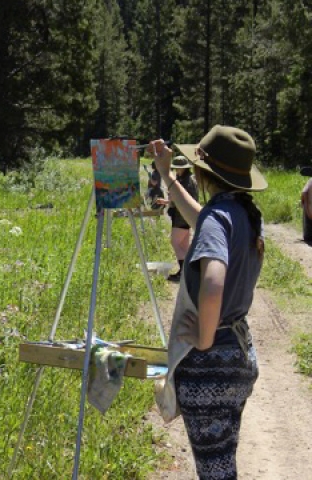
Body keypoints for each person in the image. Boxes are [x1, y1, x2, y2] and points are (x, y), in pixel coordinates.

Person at [148, 125, 267, 480]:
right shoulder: (240, 213)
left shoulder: (219, 219)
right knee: (222, 463)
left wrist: (203, 339)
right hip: (239, 355)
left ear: (203, 172)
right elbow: (198, 216)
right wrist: (167, 175)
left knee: (215, 472)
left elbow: (213, 281)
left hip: (212, 363)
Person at [156, 156, 198, 282]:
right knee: (184, 245)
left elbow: (182, 198)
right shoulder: (189, 179)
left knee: (175, 242)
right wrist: (167, 201)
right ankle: (188, 273)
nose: (176, 171)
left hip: (181, 216)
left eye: (178, 169)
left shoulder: (185, 181)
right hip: (186, 215)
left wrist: (170, 200)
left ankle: (183, 273)